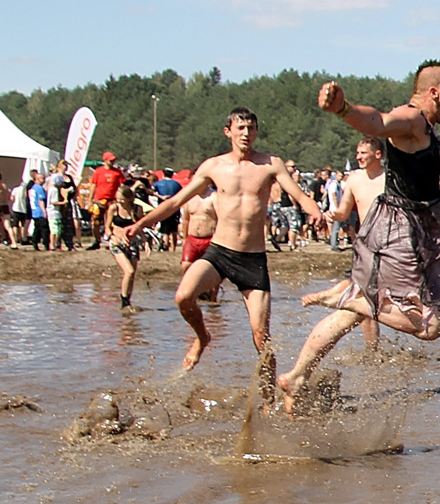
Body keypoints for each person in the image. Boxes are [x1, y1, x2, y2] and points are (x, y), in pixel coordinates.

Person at [277, 61, 440, 413]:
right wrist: (343, 109)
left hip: (409, 228)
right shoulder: (409, 119)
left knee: (360, 318)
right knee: (430, 326)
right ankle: (350, 297)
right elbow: (378, 122)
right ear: (434, 92)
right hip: (398, 231)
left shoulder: (424, 126)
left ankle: (298, 375)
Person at [124, 107, 322, 376]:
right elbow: (175, 201)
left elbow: (299, 195)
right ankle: (203, 337)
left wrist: (316, 212)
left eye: (251, 128)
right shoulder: (213, 166)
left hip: (252, 259)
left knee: (261, 336)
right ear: (228, 132)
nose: (246, 133)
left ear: (256, 132)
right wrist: (141, 224)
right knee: (183, 296)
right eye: (240, 128)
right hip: (219, 254)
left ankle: (267, 399)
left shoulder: (270, 164)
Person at [323, 136, 388, 343]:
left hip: (391, 243)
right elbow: (344, 211)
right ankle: (372, 348)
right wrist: (332, 214)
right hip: (365, 243)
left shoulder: (391, 178)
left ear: (377, 155)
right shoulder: (353, 179)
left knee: (387, 295)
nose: (358, 156)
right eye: (357, 153)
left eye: (363, 153)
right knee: (365, 295)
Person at [107, 184, 143, 309]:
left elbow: (140, 226)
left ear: (129, 198)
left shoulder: (136, 209)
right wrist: (112, 237)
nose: (119, 201)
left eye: (122, 199)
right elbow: (107, 227)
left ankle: (128, 299)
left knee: (132, 275)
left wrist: (145, 241)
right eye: (117, 198)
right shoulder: (113, 208)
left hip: (132, 243)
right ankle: (124, 302)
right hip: (117, 244)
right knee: (129, 271)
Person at [88, 152, 126, 250]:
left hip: (112, 200)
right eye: (110, 160)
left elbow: (122, 186)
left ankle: (111, 240)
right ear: (105, 160)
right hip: (99, 199)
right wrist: (90, 199)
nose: (113, 162)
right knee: (95, 221)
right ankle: (97, 240)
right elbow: (93, 185)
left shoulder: (117, 172)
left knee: (112, 221)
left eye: (114, 160)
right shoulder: (98, 171)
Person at [152, 168, 183, 252]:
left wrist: (160, 197)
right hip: (175, 208)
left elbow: (151, 191)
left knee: (165, 229)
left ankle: (165, 246)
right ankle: (173, 248)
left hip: (163, 208)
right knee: (174, 230)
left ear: (163, 174)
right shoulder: (177, 184)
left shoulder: (158, 184)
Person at [28, 172, 49, 251]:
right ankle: (46, 243)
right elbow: (41, 200)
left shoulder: (33, 188)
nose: (43, 180)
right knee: (44, 229)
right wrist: (44, 211)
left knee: (37, 228)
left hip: (34, 211)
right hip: (39, 211)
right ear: (37, 179)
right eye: (42, 178)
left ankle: (35, 242)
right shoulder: (39, 188)